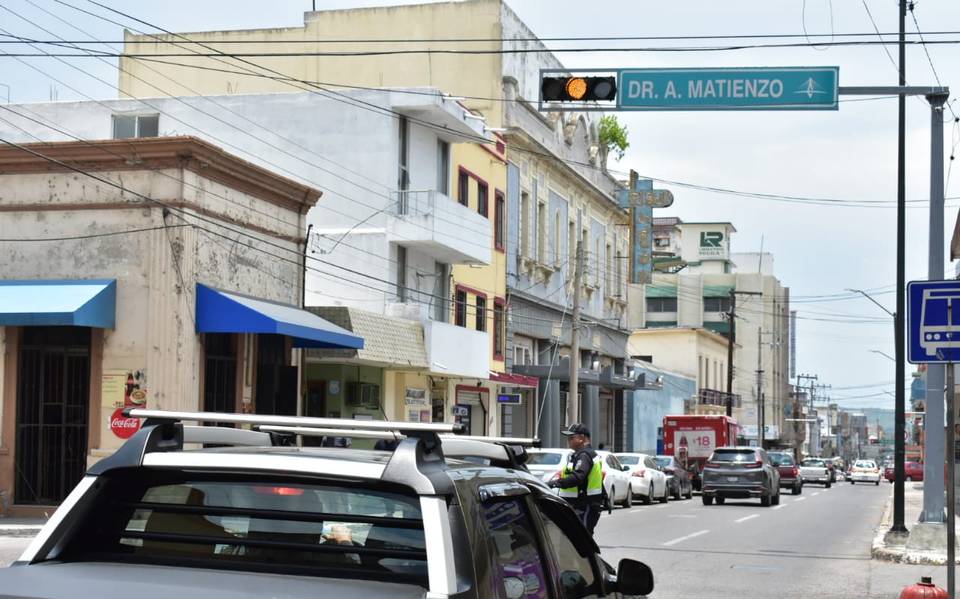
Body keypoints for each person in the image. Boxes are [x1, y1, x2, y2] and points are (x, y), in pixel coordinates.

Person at [547, 423, 605, 535]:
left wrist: (555, 483)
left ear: (582, 438)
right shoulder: (581, 454)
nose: (568, 440)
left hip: (584, 505)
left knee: (582, 539)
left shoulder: (585, 455)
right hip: (579, 504)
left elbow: (578, 477)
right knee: (576, 540)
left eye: (572, 437)